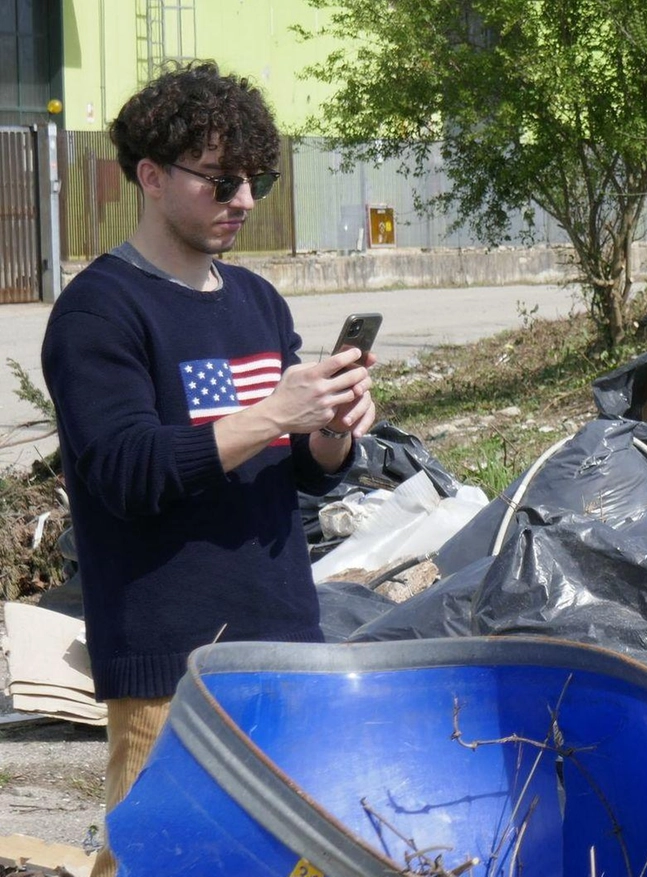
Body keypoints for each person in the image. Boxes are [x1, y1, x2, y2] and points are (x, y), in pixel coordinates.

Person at [39, 61, 375, 876]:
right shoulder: (99, 311)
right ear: (152, 177)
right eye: (222, 181)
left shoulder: (257, 301)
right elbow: (127, 468)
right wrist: (272, 414)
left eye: (255, 179)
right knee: (168, 862)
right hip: (169, 670)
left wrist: (331, 433)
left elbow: (297, 467)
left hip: (287, 649)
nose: (245, 201)